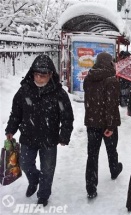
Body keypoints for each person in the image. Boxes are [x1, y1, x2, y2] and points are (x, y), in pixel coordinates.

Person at [5, 54, 74, 207]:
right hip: (28, 137)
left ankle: (43, 194)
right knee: (25, 163)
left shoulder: (59, 94)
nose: (39, 78)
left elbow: (67, 117)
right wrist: (11, 129)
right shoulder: (24, 91)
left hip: (49, 139)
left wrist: (64, 135)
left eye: (43, 75)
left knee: (48, 169)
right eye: (36, 74)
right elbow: (16, 113)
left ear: (50, 75)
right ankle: (34, 179)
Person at [83, 52, 123, 199]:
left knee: (92, 156)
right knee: (111, 149)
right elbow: (111, 105)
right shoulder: (111, 79)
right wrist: (111, 126)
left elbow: (90, 99)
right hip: (107, 123)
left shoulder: (89, 78)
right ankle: (114, 169)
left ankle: (91, 187)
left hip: (92, 122)